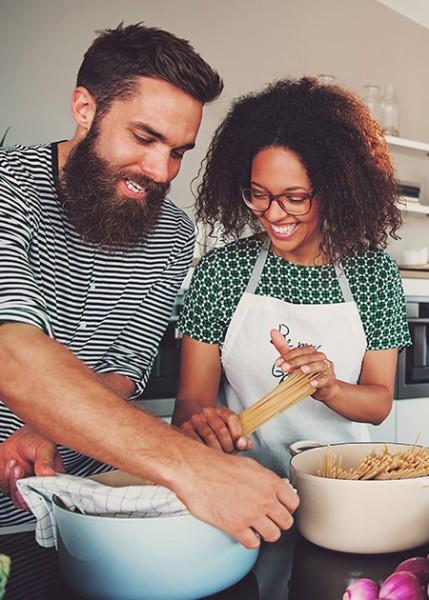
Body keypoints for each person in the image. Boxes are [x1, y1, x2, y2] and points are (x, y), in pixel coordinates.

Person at [0, 23, 298, 548]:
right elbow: (12, 352)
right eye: (145, 138)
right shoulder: (9, 189)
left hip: (96, 506)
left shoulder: (173, 232)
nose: (161, 171)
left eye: (179, 151)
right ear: (84, 108)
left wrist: (52, 424)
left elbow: (122, 366)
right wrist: (195, 469)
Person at [173, 77, 411, 477]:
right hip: (246, 481)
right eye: (259, 194)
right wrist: (206, 427)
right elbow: (191, 402)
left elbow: (379, 403)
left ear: (336, 191)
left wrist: (331, 388)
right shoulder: (222, 272)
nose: (274, 214)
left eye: (295, 197)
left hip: (343, 482)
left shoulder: (374, 274)